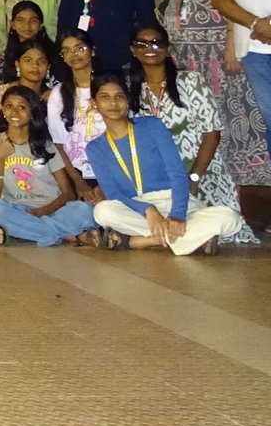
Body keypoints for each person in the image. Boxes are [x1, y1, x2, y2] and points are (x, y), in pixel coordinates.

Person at [145, 0, 271, 188]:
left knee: (224, 113)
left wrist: (232, 42)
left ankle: (235, 183)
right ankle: (196, 177)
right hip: (176, 51)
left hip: (215, 46)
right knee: (189, 115)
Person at [127, 21, 257, 244]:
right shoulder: (131, 89)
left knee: (226, 221)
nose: (150, 48)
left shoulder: (190, 81)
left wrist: (194, 176)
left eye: (157, 43)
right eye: (142, 44)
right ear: (133, 50)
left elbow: (212, 133)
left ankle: (175, 239)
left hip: (200, 170)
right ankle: (187, 238)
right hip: (161, 175)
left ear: (168, 49)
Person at [88, 72, 240, 255]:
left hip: (172, 199)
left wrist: (177, 215)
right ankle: (184, 239)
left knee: (230, 218)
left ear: (127, 101)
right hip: (137, 209)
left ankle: (137, 241)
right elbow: (113, 193)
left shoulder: (152, 125)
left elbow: (177, 173)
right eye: (105, 97)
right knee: (102, 211)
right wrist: (149, 210)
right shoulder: (95, 148)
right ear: (94, 103)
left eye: (119, 97)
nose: (113, 103)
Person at [0, 85, 99, 247]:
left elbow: (68, 193)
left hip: (53, 210)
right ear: (3, 110)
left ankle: (32, 232)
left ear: (32, 113)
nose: (14, 112)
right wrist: (0, 158)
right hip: (17, 210)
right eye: (9, 106)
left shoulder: (46, 145)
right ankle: (60, 234)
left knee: (86, 210)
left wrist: (44, 211)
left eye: (22, 107)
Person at [55, 29, 105, 198]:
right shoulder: (58, 93)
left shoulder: (109, 87)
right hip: (75, 172)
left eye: (79, 48)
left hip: (112, 170)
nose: (73, 54)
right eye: (66, 51)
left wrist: (107, 183)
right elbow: (58, 145)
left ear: (92, 51)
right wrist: (79, 183)